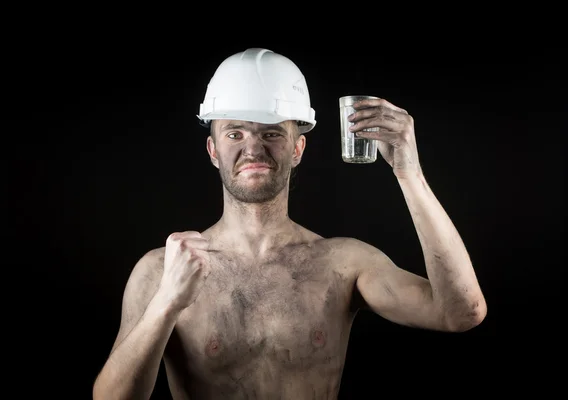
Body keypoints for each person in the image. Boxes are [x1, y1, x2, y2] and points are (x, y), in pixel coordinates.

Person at [92, 48, 487, 400]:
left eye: (271, 133)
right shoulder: (162, 270)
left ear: (297, 148)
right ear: (214, 150)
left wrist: (409, 173)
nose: (253, 148)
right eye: (235, 132)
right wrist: (167, 303)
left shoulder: (342, 263)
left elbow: (461, 312)